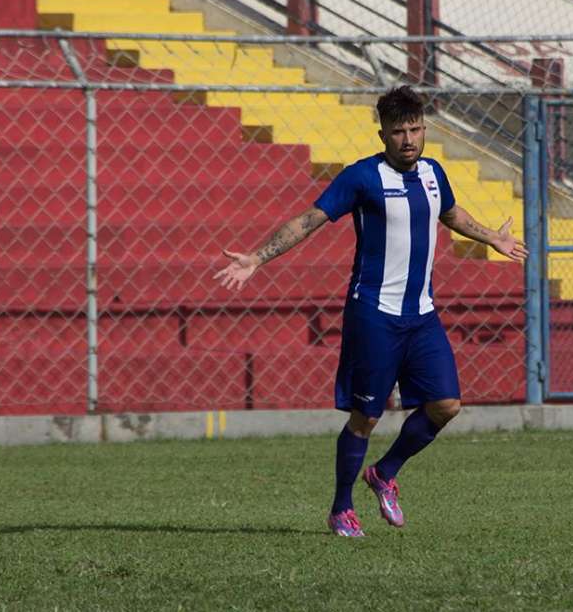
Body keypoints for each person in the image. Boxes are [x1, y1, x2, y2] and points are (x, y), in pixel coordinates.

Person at [214, 86, 527, 537]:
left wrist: (491, 238)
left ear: (424, 129)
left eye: (415, 129)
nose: (408, 139)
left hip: (421, 316)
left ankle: (385, 472)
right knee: (367, 417)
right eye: (398, 131)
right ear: (382, 132)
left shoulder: (435, 173)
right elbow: (309, 219)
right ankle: (341, 507)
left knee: (446, 405)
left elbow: (452, 215)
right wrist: (257, 258)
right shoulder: (362, 177)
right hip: (374, 315)